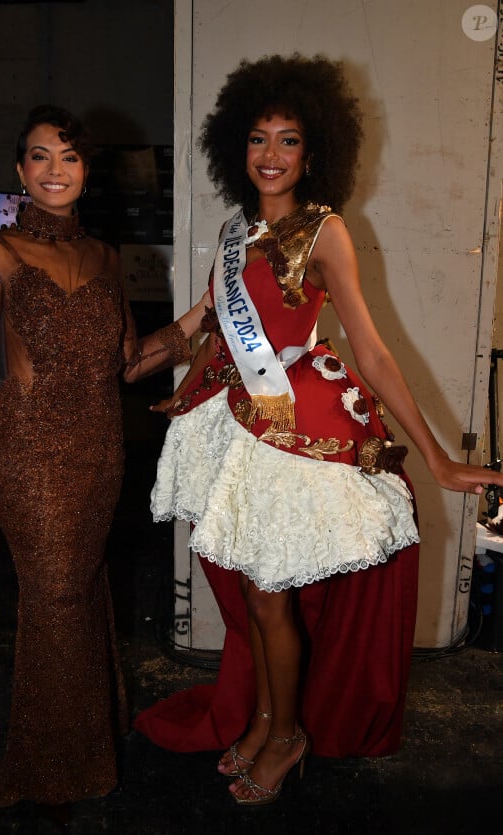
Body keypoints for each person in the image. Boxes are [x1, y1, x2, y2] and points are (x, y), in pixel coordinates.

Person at [134, 54, 503, 806]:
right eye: (258, 139)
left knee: (272, 598)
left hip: (295, 429)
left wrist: (437, 458)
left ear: (314, 150)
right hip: (236, 428)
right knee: (257, 596)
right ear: (237, 145)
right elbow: (198, 327)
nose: (271, 155)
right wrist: (128, 356)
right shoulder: (234, 229)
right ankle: (269, 719)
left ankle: (287, 734)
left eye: (289, 139)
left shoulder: (325, 230)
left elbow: (369, 348)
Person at [0, 105, 208, 818]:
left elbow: (129, 363)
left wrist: (203, 312)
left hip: (99, 453)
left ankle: (90, 734)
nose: (54, 170)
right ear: (20, 171)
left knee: (83, 590)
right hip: (27, 453)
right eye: (39, 157)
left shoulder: (105, 257)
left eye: (68, 156)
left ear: (86, 171)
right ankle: (56, 766)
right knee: (58, 593)